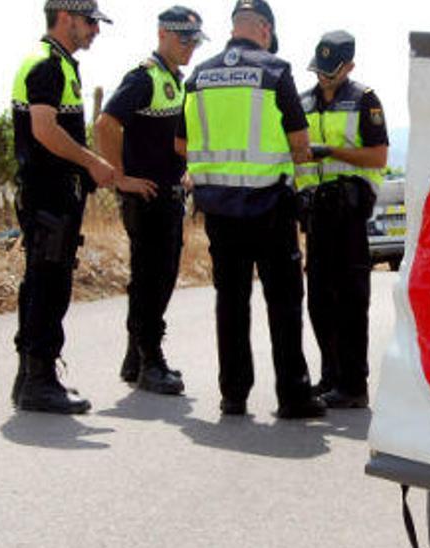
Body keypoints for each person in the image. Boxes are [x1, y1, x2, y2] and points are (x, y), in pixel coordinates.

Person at [182, 0, 325, 419]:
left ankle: (233, 395)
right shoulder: (274, 70)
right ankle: (293, 396)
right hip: (269, 205)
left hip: (219, 209)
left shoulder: (199, 76)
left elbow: (180, 144)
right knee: (283, 301)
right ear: (264, 28)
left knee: (231, 300)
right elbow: (300, 144)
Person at [10, 0, 134, 414]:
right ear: (65, 17)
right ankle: (39, 380)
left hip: (53, 193)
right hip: (49, 193)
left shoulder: (58, 63)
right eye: (89, 22)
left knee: (41, 280)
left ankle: (29, 375)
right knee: (49, 284)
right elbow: (43, 130)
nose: (95, 31)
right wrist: (92, 161)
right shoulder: (47, 64)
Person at [95, 6, 208, 396]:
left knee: (156, 277)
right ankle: (150, 360)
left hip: (167, 194)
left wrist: (188, 168)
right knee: (152, 279)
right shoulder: (143, 78)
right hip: (146, 199)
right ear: (162, 34)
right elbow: (106, 123)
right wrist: (120, 177)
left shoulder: (174, 80)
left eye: (195, 40)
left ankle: (135, 357)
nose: (190, 47)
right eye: (183, 39)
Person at [295, 31, 388, 409]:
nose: (323, 77)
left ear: (349, 67)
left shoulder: (365, 100)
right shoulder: (302, 101)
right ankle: (329, 377)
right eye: (319, 70)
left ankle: (353, 385)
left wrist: (331, 151)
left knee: (351, 301)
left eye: (331, 72)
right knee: (319, 301)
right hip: (316, 213)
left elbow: (379, 156)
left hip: (348, 213)